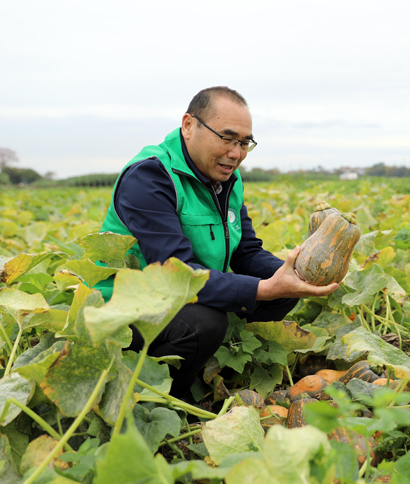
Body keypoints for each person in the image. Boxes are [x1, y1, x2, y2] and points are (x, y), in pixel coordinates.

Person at [96, 86, 338, 398]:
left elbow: (246, 251)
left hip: (186, 294)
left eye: (244, 143)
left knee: (282, 288)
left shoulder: (227, 178)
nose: (236, 153)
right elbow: (178, 275)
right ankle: (164, 395)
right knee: (204, 323)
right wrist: (265, 289)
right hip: (126, 312)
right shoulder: (150, 176)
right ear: (188, 125)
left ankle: (214, 363)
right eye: (226, 138)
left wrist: (296, 273)